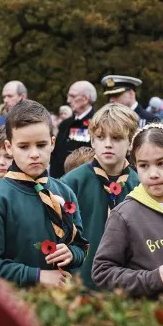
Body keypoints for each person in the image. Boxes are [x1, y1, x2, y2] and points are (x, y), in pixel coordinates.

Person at [0, 100, 87, 287]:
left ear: (52, 143)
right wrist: (36, 276)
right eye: (24, 146)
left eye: (41, 145)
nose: (34, 154)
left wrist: (72, 254)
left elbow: (81, 245)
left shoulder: (65, 192)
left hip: (60, 300)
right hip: (16, 301)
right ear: (9, 147)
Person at [92, 124, 163, 304]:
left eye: (162, 163)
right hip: (150, 317)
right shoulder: (125, 215)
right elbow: (102, 272)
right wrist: (150, 279)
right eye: (144, 166)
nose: (153, 174)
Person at [61, 103, 141, 288]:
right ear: (92, 141)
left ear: (130, 143)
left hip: (126, 285)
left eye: (116, 138)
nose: (108, 144)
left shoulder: (139, 185)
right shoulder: (71, 183)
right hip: (80, 282)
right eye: (100, 137)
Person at [50, 81, 97, 178]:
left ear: (85, 99)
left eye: (72, 96)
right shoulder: (65, 124)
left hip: (82, 178)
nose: (68, 100)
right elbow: (56, 154)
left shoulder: (97, 123)